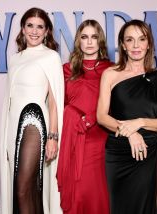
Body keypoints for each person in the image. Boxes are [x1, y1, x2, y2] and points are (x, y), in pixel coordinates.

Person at [97, 19, 157, 214]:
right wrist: (130, 133)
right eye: (130, 40)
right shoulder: (110, 74)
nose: (136, 46)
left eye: (141, 39)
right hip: (117, 153)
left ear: (148, 43)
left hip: (146, 153)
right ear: (123, 45)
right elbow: (101, 116)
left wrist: (139, 123)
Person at [0, 7, 64, 214]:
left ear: (47, 32)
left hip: (34, 122)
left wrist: (53, 136)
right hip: (13, 126)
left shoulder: (50, 57)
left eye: (40, 27)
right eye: (30, 25)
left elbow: (54, 101)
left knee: (23, 188)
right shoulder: (14, 58)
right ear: (23, 29)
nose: (34, 31)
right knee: (31, 190)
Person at [57, 19, 112, 214]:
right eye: (84, 37)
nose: (89, 42)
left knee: (97, 194)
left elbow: (118, 106)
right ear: (78, 41)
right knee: (77, 195)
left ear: (101, 41)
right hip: (72, 139)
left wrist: (92, 117)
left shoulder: (112, 69)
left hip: (100, 139)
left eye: (94, 37)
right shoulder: (66, 69)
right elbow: (58, 104)